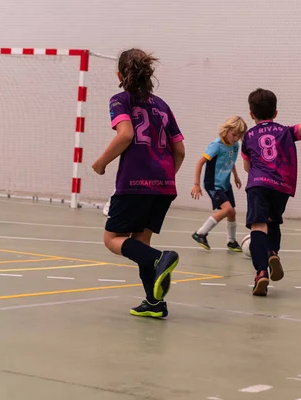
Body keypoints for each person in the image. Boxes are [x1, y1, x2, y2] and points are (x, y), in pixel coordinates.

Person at [92, 48, 185, 318]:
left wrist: (101, 162)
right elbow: (179, 149)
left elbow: (126, 134)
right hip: (164, 185)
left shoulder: (121, 100)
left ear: (120, 75)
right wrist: (167, 176)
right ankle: (155, 303)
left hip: (135, 183)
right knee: (139, 242)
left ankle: (159, 258)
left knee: (112, 239)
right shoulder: (163, 105)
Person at [241, 88, 301, 296]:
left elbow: (246, 167)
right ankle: (273, 252)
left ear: (251, 114)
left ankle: (261, 272)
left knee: (258, 226)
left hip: (258, 184)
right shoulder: (285, 131)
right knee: (273, 220)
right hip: (282, 186)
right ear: (275, 113)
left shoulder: (249, 136)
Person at [191, 116, 247, 251]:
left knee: (232, 213)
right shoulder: (216, 145)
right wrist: (196, 184)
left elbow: (231, 161)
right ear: (226, 130)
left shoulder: (235, 146)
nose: (235, 138)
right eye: (233, 134)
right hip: (213, 184)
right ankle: (200, 233)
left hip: (225, 184)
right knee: (227, 209)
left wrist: (236, 176)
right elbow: (200, 163)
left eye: (238, 136)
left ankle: (231, 241)